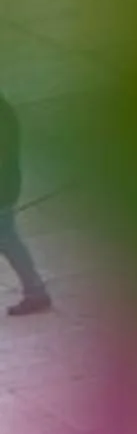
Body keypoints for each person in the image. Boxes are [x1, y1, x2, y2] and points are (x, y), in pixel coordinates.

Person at [0, 93, 52, 317]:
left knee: (7, 239)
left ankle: (36, 292)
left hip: (2, 186)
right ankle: (35, 291)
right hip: (6, 183)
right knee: (8, 239)